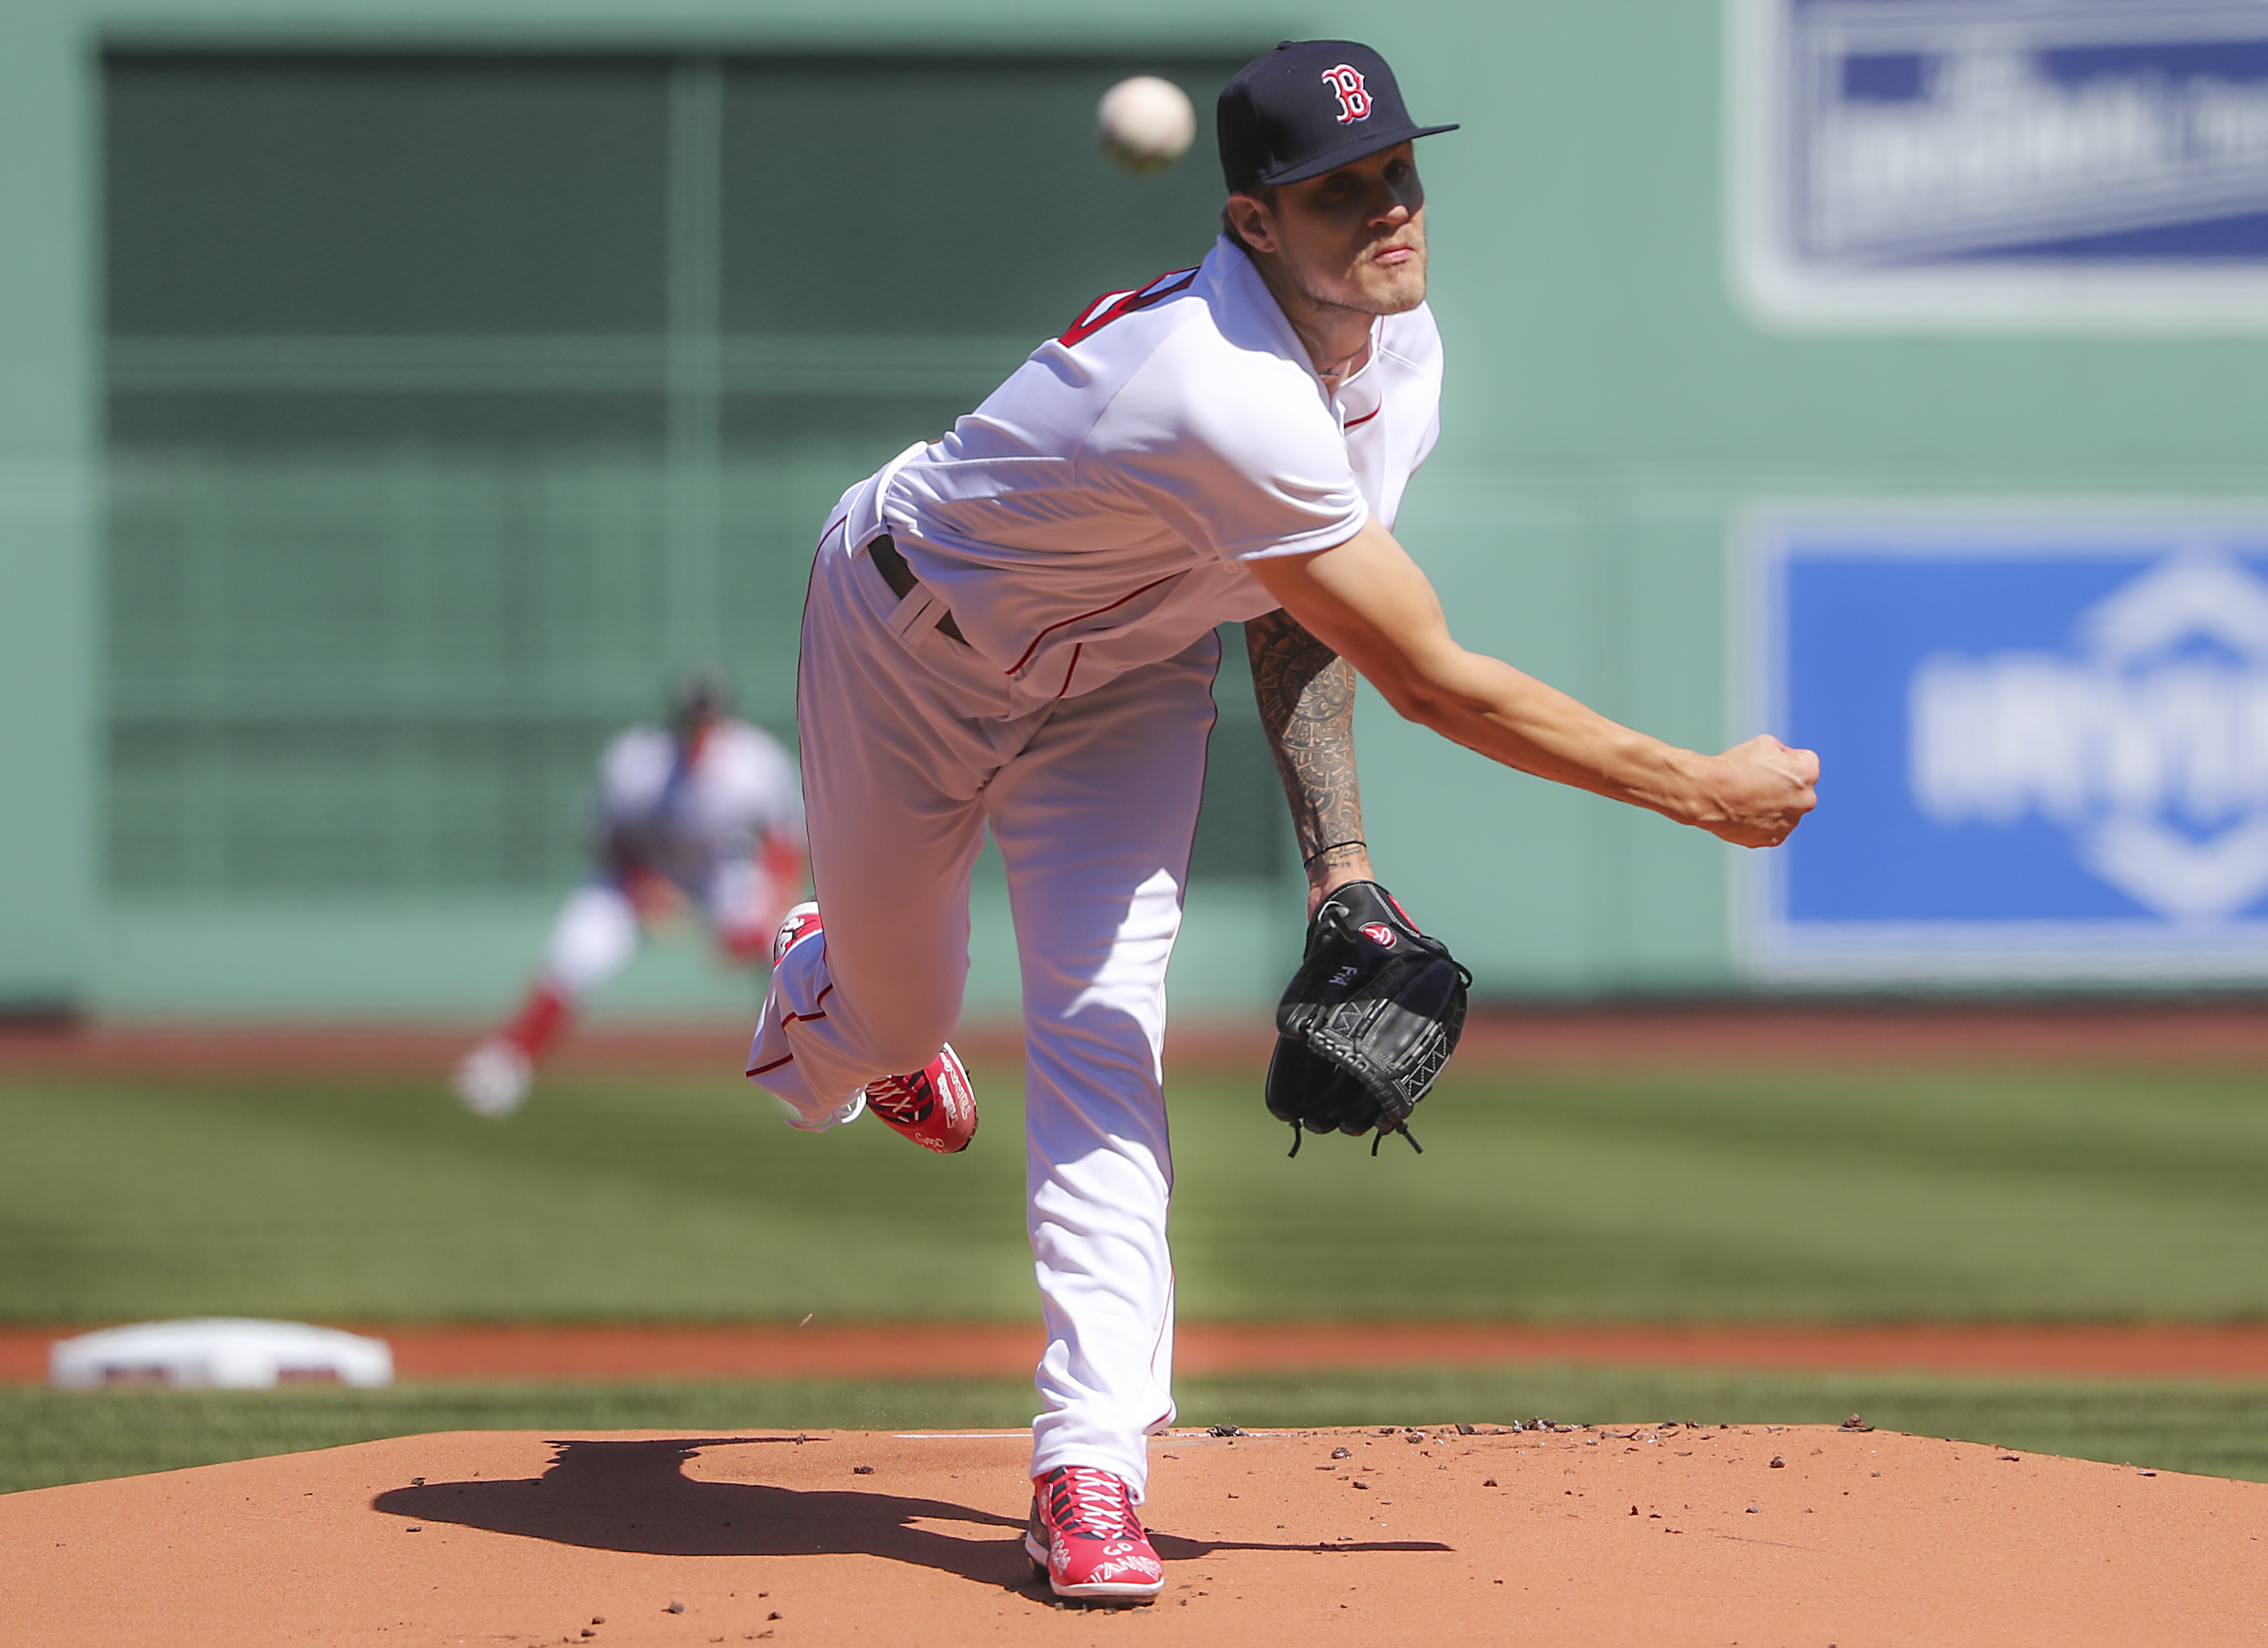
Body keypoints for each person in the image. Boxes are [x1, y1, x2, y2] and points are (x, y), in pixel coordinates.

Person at [746, 41, 1818, 1602]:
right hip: (906, 640)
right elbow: (1430, 676)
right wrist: (1692, 789)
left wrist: (1345, 877)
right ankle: (827, 991)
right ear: (1255, 223)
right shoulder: (1213, 384)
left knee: (1105, 1028)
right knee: (898, 1006)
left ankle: (1087, 1466)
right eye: (1338, 190)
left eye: (1397, 169)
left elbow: (1292, 611)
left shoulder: (1397, 353)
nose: (1386, 208)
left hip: (1117, 679)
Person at [454, 668, 806, 1117]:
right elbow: (607, 839)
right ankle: (509, 1062)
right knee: (577, 950)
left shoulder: (754, 760)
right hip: (642, 869)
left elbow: (785, 842)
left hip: (721, 872)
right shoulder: (638, 760)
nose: (700, 727)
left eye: (709, 718)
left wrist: (763, 913)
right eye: (692, 717)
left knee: (783, 943)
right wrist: (645, 888)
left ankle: (802, 1074)